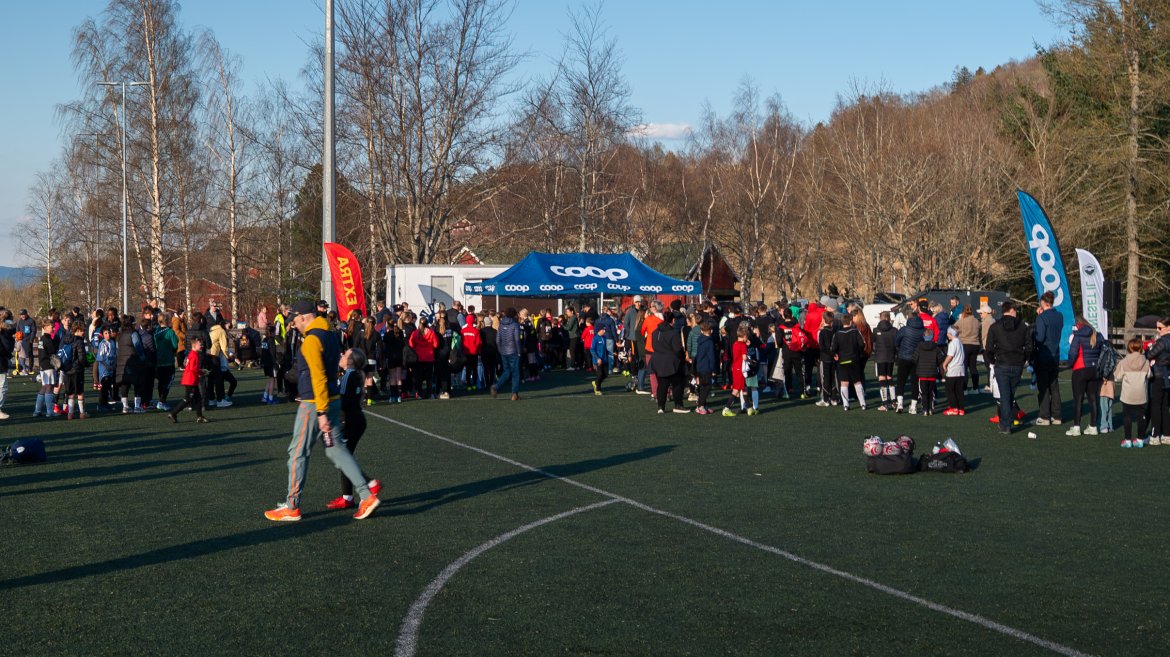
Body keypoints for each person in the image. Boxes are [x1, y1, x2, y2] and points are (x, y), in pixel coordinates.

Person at [265, 300, 381, 522]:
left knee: (297, 453)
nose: (293, 323)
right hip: (332, 399)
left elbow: (317, 376)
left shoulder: (312, 340)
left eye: (295, 319)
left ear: (304, 317)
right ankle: (366, 495)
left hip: (314, 403)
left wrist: (320, 412)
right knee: (336, 450)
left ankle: (292, 505)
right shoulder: (330, 334)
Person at [325, 348, 379, 510]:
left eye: (346, 354)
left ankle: (370, 484)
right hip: (355, 419)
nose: (341, 355)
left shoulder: (349, 375)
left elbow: (342, 401)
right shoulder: (354, 374)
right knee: (344, 456)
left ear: (351, 361)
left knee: (343, 457)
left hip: (350, 421)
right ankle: (347, 497)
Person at [985, 301, 1033, 434]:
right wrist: (1024, 359)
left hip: (1002, 363)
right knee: (1009, 394)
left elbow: (988, 348)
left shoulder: (995, 327)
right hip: (1017, 364)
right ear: (1012, 310)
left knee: (1005, 395)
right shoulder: (1022, 326)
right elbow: (1029, 346)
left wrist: (993, 361)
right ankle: (1008, 420)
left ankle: (1006, 424)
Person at [1065, 317, 1103, 436]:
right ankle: (1093, 426)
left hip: (1080, 369)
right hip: (1094, 369)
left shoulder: (1078, 336)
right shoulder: (1097, 335)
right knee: (1093, 399)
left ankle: (1076, 427)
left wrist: (1070, 364)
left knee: (1078, 400)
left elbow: (1073, 353)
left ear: (1078, 324)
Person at [1033, 291, 1064, 425]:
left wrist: (1038, 319)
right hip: (1055, 354)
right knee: (1054, 386)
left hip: (1044, 355)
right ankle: (1057, 416)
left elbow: (1039, 338)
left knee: (1044, 387)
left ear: (1043, 302)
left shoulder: (1042, 318)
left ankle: (1044, 416)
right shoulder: (1059, 316)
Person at [1114, 337, 1150, 448]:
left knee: (1127, 417)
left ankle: (1128, 440)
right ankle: (1140, 439)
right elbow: (1149, 375)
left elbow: (1117, 377)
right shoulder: (1146, 362)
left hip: (1128, 395)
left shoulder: (1123, 362)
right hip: (1141, 394)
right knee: (1141, 417)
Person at [650, 313, 689, 414]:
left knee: (662, 385)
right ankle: (678, 405)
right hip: (671, 362)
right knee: (677, 384)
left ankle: (661, 407)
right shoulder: (673, 333)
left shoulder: (655, 332)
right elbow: (678, 349)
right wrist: (683, 357)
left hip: (658, 361)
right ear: (673, 320)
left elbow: (653, 345)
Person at [830, 313, 866, 411]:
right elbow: (862, 344)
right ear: (850, 322)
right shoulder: (855, 332)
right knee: (857, 382)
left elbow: (833, 348)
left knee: (844, 383)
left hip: (842, 361)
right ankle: (863, 403)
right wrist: (858, 353)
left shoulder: (837, 334)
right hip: (854, 360)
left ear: (842, 322)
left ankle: (846, 405)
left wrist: (835, 355)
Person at [168, 337, 209, 423]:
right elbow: (192, 369)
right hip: (190, 380)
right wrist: (201, 372)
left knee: (198, 398)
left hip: (190, 380)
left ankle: (200, 417)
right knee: (187, 399)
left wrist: (200, 371)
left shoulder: (192, 354)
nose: (201, 346)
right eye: (200, 345)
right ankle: (173, 413)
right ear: (194, 345)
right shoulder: (194, 355)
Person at [1143, 318, 1170, 445]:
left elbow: (1148, 355)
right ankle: (1167, 435)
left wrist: (1149, 348)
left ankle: (1155, 436)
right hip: (1167, 376)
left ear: (1168, 327)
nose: (1157, 330)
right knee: (1164, 406)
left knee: (1155, 405)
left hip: (1159, 375)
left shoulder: (1162, 341)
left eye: (1160, 328)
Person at [893, 313, 925, 414]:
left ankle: (900, 403)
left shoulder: (905, 329)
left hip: (904, 357)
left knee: (901, 381)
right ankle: (913, 406)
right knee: (914, 382)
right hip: (917, 358)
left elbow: (896, 341)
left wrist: (899, 348)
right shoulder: (922, 330)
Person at [492, 307, 523, 401]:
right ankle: (514, 394)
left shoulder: (501, 325)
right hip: (513, 351)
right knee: (515, 373)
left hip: (504, 352)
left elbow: (498, 340)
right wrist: (519, 351)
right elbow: (517, 339)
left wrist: (500, 350)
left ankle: (496, 386)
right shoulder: (515, 325)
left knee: (506, 371)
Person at [913, 329, 944, 415]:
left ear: (923, 336)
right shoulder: (936, 348)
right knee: (930, 392)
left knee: (924, 393)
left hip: (922, 373)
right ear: (932, 337)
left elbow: (914, 359)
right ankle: (930, 409)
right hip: (932, 372)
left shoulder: (919, 347)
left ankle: (925, 410)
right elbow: (940, 359)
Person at [953, 304, 982, 393]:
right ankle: (975, 388)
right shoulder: (976, 321)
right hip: (975, 345)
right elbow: (979, 329)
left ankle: (964, 388)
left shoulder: (961, 321)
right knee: (973, 367)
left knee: (964, 367)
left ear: (963, 311)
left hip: (965, 344)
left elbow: (953, 328)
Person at [872, 311, 897, 411]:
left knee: (882, 378)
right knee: (889, 377)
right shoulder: (894, 330)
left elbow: (873, 342)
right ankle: (894, 401)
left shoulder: (876, 330)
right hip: (890, 357)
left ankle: (885, 403)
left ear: (881, 318)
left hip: (880, 357)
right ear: (889, 318)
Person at [694, 321, 718, 415]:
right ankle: (700, 405)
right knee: (707, 387)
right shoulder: (709, 342)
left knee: (703, 387)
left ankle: (703, 405)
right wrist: (713, 369)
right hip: (706, 367)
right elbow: (712, 357)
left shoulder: (700, 340)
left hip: (700, 367)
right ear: (711, 331)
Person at [942, 326, 967, 415]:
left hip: (953, 369)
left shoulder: (952, 343)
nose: (947, 335)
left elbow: (950, 356)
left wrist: (944, 364)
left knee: (950, 390)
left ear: (951, 333)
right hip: (961, 369)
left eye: (948, 333)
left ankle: (953, 408)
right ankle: (961, 409)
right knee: (959, 390)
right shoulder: (960, 342)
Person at [590, 318, 610, 396]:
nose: (604, 331)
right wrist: (597, 358)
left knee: (605, 374)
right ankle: (597, 389)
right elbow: (592, 350)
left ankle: (596, 383)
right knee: (600, 374)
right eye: (603, 330)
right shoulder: (595, 339)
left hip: (605, 360)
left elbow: (605, 349)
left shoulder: (604, 338)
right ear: (599, 330)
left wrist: (611, 353)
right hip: (598, 361)